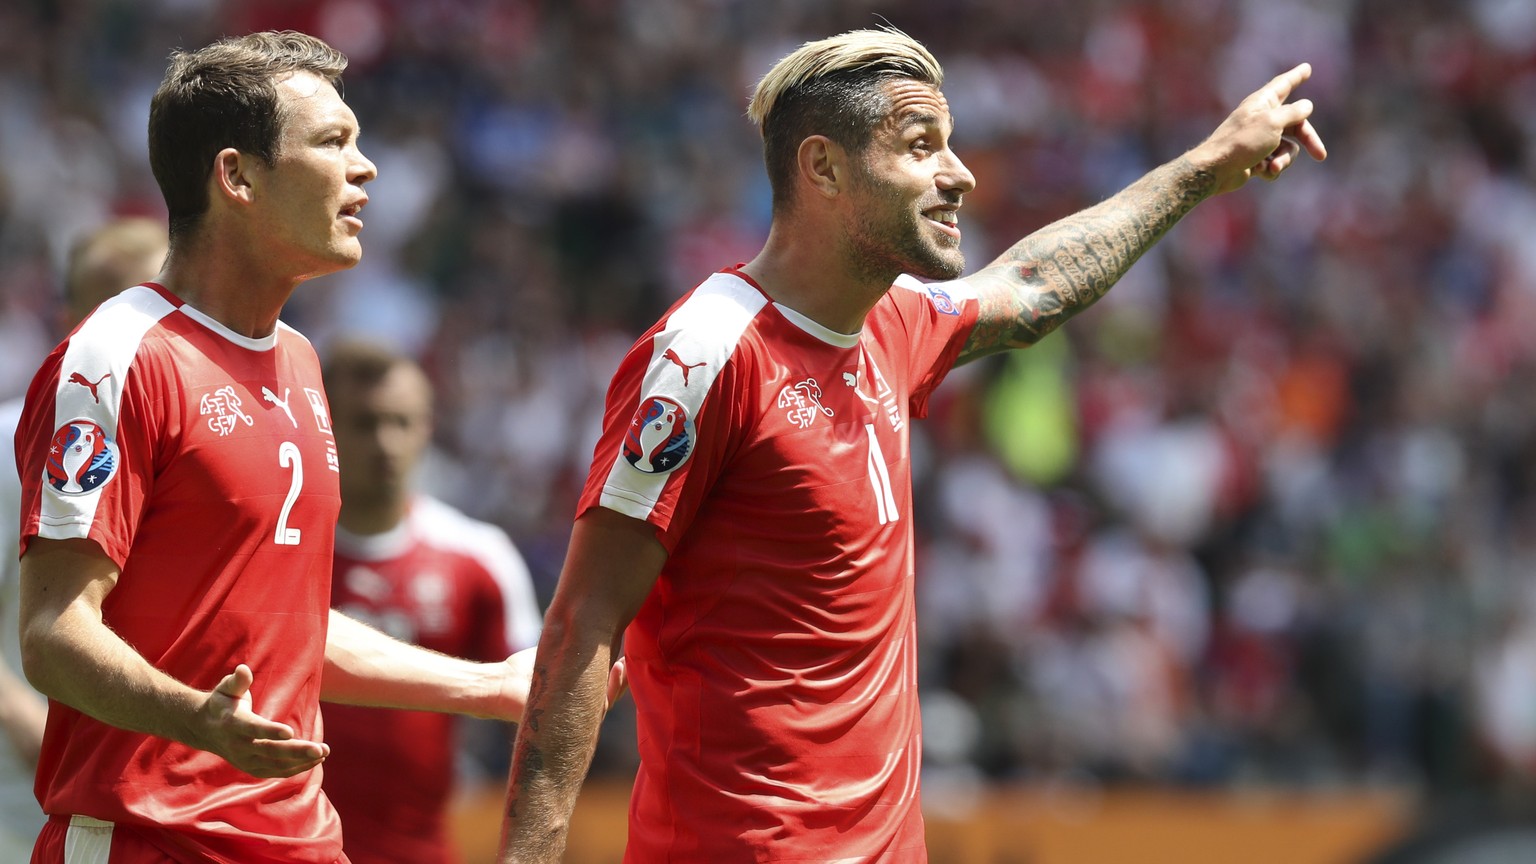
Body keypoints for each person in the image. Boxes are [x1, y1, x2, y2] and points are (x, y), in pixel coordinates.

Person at [499, 26, 1326, 863]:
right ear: (822, 168)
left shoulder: (891, 324)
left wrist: (1204, 166)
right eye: (921, 146)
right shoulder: (705, 355)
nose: (959, 172)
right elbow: (582, 624)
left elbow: (1032, 286)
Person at [12, 32, 539, 864]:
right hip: (151, 840)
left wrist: (488, 685)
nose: (366, 169)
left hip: (299, 843)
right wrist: (196, 720)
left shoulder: (297, 359)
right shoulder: (117, 359)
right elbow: (53, 634)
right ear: (238, 177)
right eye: (333, 142)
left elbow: (284, 629)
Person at [319, 339, 543, 864]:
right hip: (280, 844)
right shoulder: (279, 549)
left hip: (421, 850)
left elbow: (536, 708)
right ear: (324, 427)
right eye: (364, 422)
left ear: (428, 427)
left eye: (402, 422)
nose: (385, 442)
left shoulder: (477, 556)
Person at [0, 216, 168, 861]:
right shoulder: (17, 441)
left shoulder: (188, 431)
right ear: (71, 311)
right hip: (28, 803)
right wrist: (21, 718)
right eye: (111, 302)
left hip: (151, 795)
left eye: (151, 299)